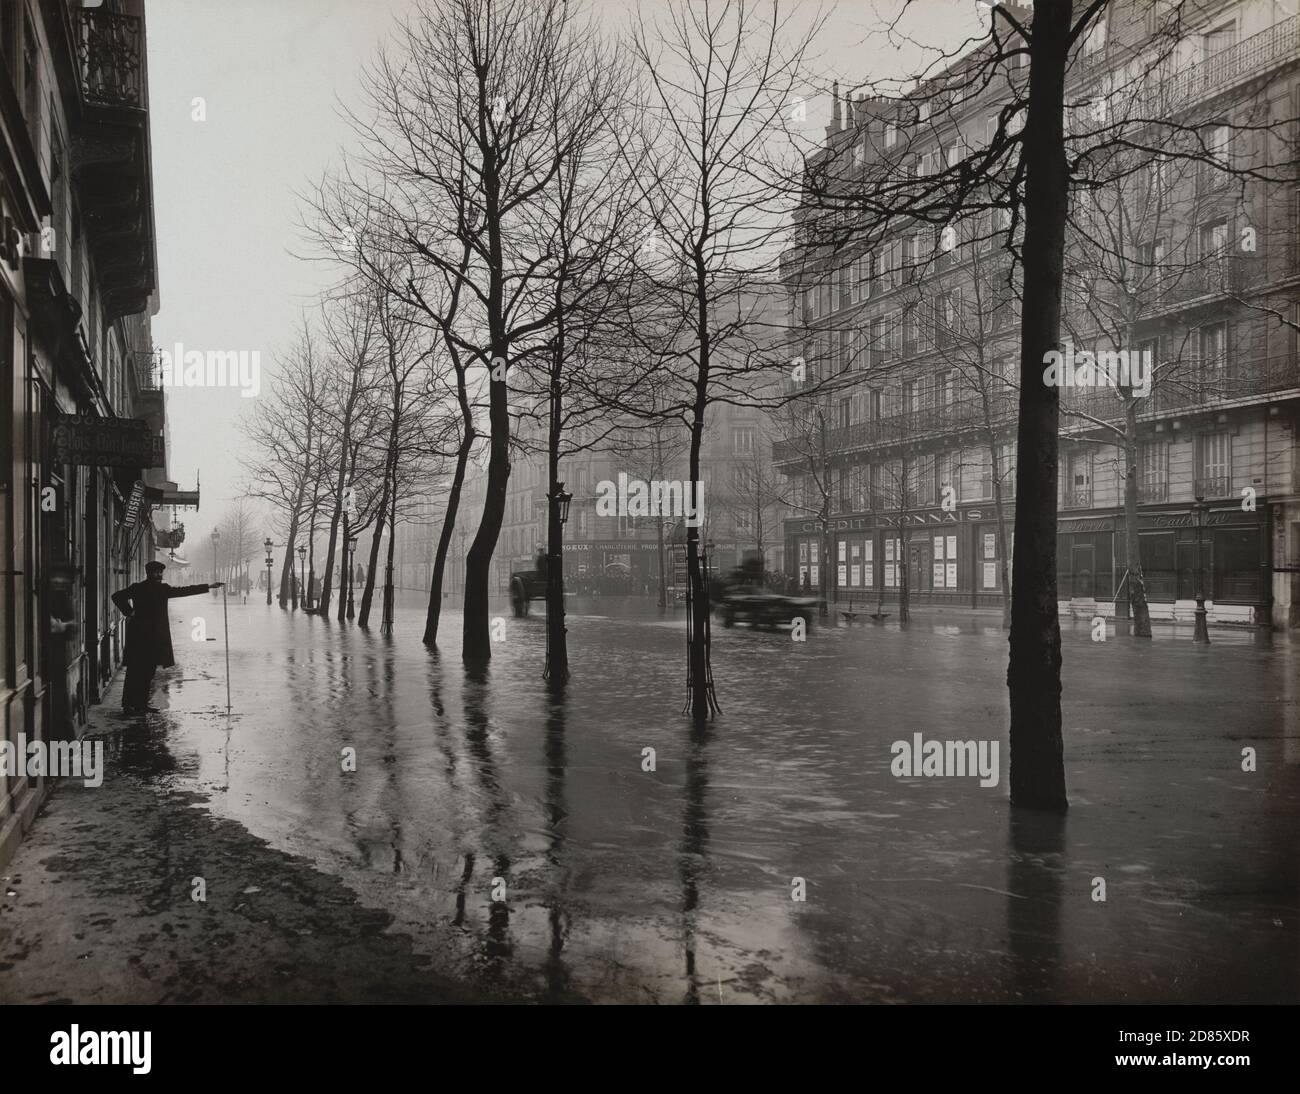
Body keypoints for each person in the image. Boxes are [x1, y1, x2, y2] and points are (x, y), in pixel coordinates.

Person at [111, 561, 221, 713]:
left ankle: (141, 704)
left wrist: (208, 586)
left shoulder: (162, 589)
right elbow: (116, 596)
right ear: (148, 573)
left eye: (160, 572)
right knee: (135, 672)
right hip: (141, 637)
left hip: (153, 637)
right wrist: (129, 612)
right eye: (155, 572)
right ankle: (129, 705)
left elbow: (184, 591)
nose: (158, 575)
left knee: (148, 672)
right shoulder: (139, 588)